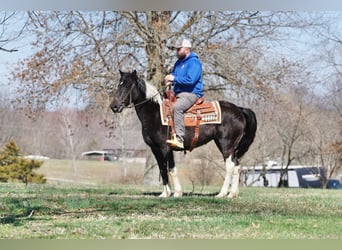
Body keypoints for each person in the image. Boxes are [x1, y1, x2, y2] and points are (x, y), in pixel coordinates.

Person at [164, 38, 204, 149]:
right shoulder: (178, 63)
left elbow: (191, 80)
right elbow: (174, 76)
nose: (176, 52)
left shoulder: (194, 62)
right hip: (178, 93)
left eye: (178, 49)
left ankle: (180, 139)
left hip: (191, 93)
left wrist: (174, 78)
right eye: (176, 49)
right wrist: (169, 80)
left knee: (177, 107)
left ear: (186, 49)